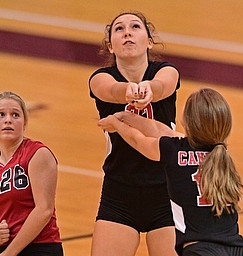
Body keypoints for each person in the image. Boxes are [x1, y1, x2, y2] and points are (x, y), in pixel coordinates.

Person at [98, 88, 243, 256]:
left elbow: (138, 140)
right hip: (239, 249)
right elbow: (162, 131)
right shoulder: (222, 157)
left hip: (201, 250)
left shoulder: (173, 150)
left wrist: (116, 125)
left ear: (187, 120)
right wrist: (126, 117)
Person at [89, 10, 180, 256]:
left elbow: (164, 86)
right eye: (119, 29)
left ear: (149, 41)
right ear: (110, 45)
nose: (127, 32)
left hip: (167, 192)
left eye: (135, 27)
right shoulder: (100, 79)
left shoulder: (166, 71)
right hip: (120, 192)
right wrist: (129, 92)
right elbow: (110, 91)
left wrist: (149, 89)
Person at [0, 91, 64, 256]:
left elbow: (44, 210)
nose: (8, 119)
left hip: (40, 248)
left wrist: (10, 253)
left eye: (15, 115)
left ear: (24, 122)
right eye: (1, 114)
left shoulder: (37, 153)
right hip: (4, 250)